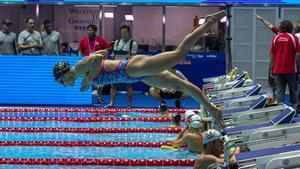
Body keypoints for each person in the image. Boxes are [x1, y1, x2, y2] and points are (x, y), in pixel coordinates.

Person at [53, 10, 227, 125]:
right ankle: (214, 110)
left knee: (180, 54)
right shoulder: (81, 74)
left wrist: (89, 79)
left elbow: (99, 56)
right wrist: (89, 79)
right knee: (180, 85)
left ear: (64, 75)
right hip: (136, 76)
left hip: (132, 68)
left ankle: (207, 23)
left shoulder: (79, 67)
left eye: (61, 81)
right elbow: (104, 53)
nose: (62, 84)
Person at [105, 25, 138, 108]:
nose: (123, 34)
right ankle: (111, 103)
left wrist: (128, 56)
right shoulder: (117, 42)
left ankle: (129, 104)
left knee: (128, 85)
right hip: (116, 66)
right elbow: (113, 54)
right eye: (122, 32)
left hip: (127, 67)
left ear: (128, 32)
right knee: (113, 85)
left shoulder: (133, 43)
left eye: (125, 32)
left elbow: (134, 57)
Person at [270, 20, 300, 108]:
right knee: (293, 90)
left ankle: (280, 109)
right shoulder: (293, 38)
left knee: (280, 91)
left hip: (278, 69)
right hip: (290, 69)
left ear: (281, 27)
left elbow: (272, 54)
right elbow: (298, 53)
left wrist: (272, 67)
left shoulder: (276, 38)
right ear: (291, 27)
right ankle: (294, 108)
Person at [78, 24, 110, 104]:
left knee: (99, 81)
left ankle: (99, 98)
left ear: (95, 31)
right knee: (87, 79)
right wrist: (79, 60)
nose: (89, 32)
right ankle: (85, 98)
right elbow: (80, 51)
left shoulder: (100, 40)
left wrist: (104, 58)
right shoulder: (83, 40)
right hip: (87, 64)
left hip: (97, 65)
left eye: (91, 30)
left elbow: (107, 48)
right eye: (88, 30)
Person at [255, 14, 279, 98]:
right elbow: (269, 25)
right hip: (277, 61)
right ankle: (274, 99)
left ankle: (276, 100)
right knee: (273, 83)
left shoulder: (292, 36)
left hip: (277, 62)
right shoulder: (279, 32)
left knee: (276, 83)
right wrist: (262, 19)